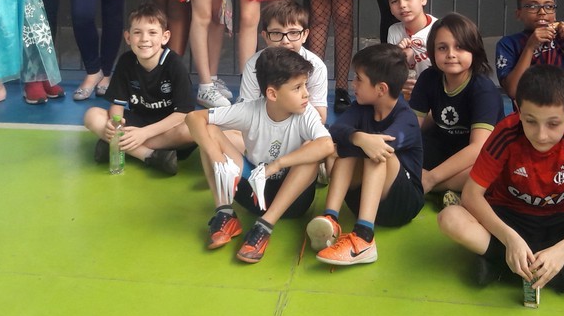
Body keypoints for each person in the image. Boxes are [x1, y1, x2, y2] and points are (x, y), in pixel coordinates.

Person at [437, 65, 564, 303]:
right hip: (508, 217)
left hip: (560, 222)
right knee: (450, 217)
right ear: (518, 110)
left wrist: (562, 251)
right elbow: (471, 195)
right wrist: (509, 238)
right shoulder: (505, 133)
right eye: (531, 121)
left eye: (553, 124)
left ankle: (500, 265)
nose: (541, 135)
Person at [186, 47, 334, 264]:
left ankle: (264, 226)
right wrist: (216, 156)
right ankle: (225, 213)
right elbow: (193, 118)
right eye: (297, 87)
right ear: (272, 94)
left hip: (293, 200)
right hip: (253, 192)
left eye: (305, 85)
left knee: (312, 151)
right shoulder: (250, 110)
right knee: (209, 131)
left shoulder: (306, 113)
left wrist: (278, 164)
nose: (306, 94)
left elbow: (327, 145)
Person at [307, 43, 424, 266]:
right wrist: (358, 137)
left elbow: (381, 146)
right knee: (352, 145)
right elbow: (336, 129)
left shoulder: (406, 118)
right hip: (362, 200)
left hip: (402, 205)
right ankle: (330, 219)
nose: (353, 84)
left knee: (378, 151)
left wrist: (361, 140)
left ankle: (364, 238)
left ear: (381, 89)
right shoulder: (361, 107)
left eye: (359, 79)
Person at [83, 3, 194, 175]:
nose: (144, 39)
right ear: (128, 37)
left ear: (165, 37)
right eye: (137, 32)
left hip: (167, 129)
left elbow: (183, 113)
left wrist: (143, 134)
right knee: (92, 115)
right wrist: (115, 124)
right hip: (137, 124)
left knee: (191, 130)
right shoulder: (126, 62)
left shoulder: (175, 64)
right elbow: (117, 104)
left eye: (152, 33)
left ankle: (117, 145)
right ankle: (149, 156)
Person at [410, 14, 505, 204]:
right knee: (398, 152)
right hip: (444, 146)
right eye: (442, 48)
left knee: (496, 171)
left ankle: (430, 185)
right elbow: (410, 129)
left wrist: (431, 178)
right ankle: (450, 189)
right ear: (432, 51)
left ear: (474, 50)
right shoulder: (428, 78)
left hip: (475, 156)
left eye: (460, 47)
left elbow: (478, 148)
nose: (451, 54)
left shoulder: (483, 89)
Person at [236, 0, 328, 123]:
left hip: (300, 125)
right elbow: (246, 111)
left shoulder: (317, 66)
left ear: (305, 35)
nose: (285, 41)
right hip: (263, 124)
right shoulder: (253, 65)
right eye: (276, 33)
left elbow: (320, 117)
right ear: (265, 36)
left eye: (293, 32)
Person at [384, 0, 435, 98]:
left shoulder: (440, 29)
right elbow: (392, 76)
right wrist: (397, 55)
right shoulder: (394, 31)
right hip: (409, 98)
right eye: (394, 1)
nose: (402, 5)